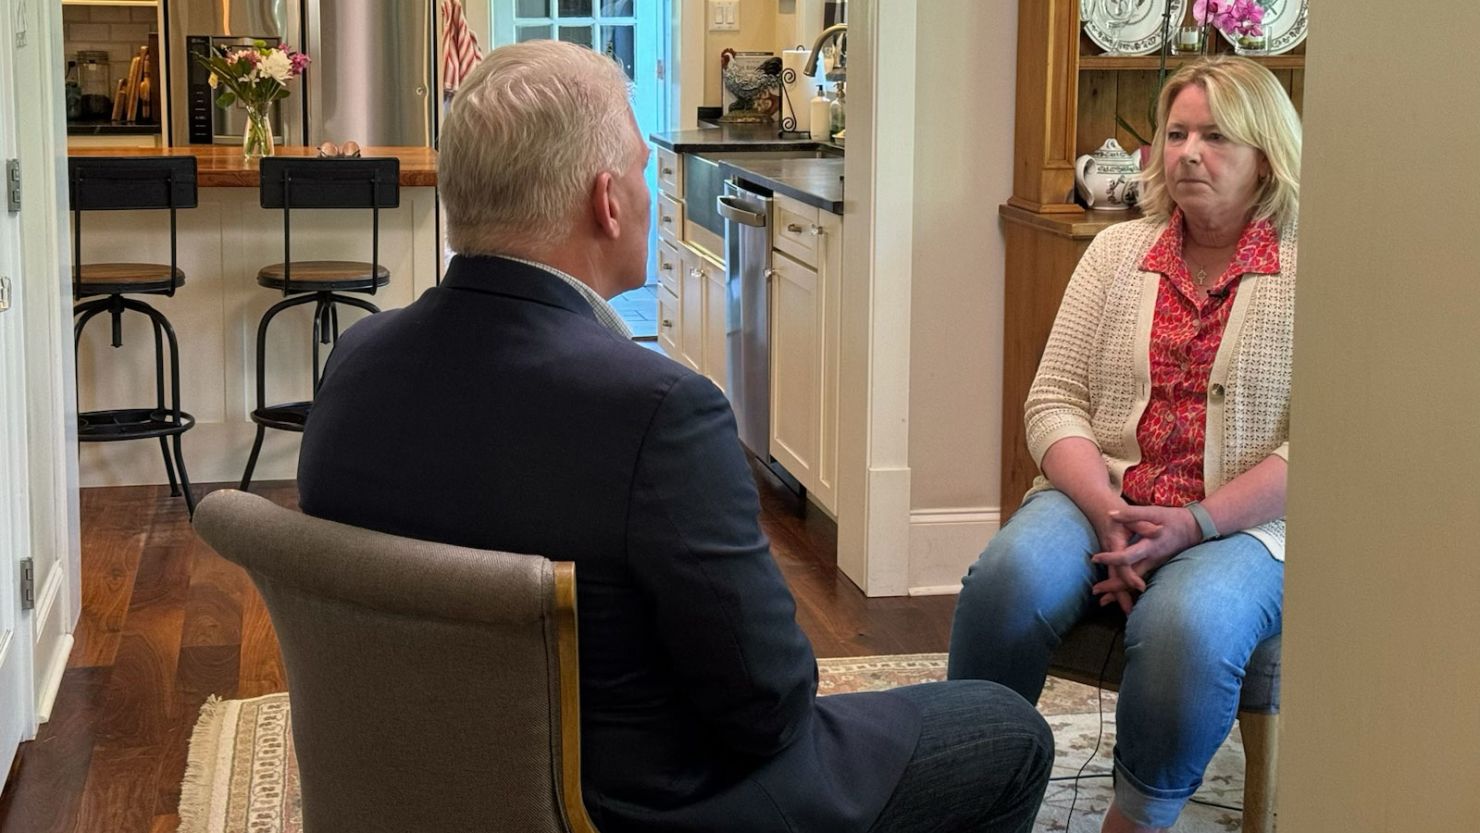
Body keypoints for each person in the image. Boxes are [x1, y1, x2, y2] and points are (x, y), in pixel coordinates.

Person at [297, 40, 1051, 833]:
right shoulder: (657, 412)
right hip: (638, 808)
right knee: (1006, 730)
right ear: (607, 202)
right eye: (643, 172)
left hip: (418, 792)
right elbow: (771, 708)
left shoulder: (355, 365)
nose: (651, 193)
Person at [947, 56, 1301, 833]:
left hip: (1244, 527)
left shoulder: (1313, 273)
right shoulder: (1114, 254)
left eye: (1216, 136)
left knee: (1186, 626)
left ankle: (1139, 816)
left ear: (1267, 155)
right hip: (1103, 495)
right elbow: (1052, 402)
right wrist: (1109, 510)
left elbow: (1318, 450)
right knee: (1006, 582)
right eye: (1175, 134)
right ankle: (968, 789)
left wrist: (1194, 524)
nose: (1187, 153)